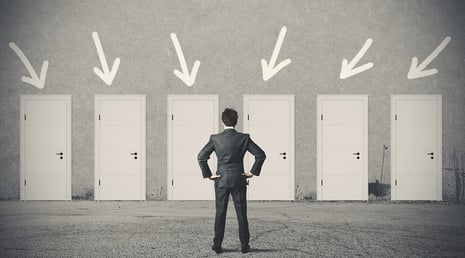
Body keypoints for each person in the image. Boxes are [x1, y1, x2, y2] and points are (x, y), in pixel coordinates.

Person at [197, 108, 266, 254]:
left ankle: (217, 245)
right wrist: (252, 172)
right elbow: (260, 155)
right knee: (241, 213)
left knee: (220, 213)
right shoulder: (244, 138)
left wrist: (208, 174)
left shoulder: (215, 138)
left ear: (223, 121)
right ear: (236, 121)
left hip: (221, 180)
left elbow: (201, 157)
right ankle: (245, 246)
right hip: (239, 180)